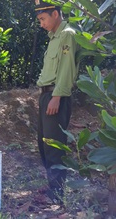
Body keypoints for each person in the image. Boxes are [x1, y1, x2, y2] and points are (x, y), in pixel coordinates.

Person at [34, 0, 79, 204]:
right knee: (44, 144)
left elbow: (67, 70)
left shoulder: (67, 34)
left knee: (55, 146)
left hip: (56, 96)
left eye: (43, 18)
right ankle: (53, 186)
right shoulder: (53, 38)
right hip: (47, 95)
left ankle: (57, 194)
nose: (41, 23)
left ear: (54, 14)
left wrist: (57, 97)